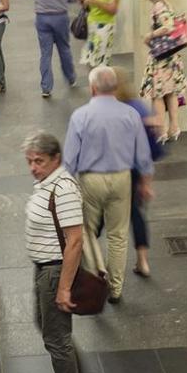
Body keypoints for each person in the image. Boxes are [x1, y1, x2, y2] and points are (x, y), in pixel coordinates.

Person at [21, 132, 99, 373]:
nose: (33, 167)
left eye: (39, 161)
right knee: (49, 327)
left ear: (56, 159)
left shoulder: (63, 189)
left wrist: (64, 287)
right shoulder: (46, 183)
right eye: (29, 161)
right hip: (44, 268)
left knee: (56, 337)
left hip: (55, 271)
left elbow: (75, 241)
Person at [64, 65, 152, 303]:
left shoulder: (81, 116)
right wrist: (145, 182)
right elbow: (143, 154)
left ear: (92, 88)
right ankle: (115, 289)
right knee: (118, 235)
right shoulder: (130, 115)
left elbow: (70, 158)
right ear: (114, 87)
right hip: (122, 178)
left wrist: (65, 184)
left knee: (86, 230)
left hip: (90, 179)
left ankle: (95, 274)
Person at [113, 73, 163, 279]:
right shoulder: (140, 107)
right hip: (137, 169)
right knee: (136, 214)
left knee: (98, 218)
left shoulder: (113, 110)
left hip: (115, 169)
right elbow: (149, 148)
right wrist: (146, 182)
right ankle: (142, 260)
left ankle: (96, 263)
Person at [23, 0, 79, 99]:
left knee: (45, 53)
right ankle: (71, 77)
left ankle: (46, 87)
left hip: (42, 18)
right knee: (64, 49)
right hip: (60, 16)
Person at [139, 0, 187, 142]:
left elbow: (167, 27)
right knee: (171, 92)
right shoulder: (167, 4)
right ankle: (174, 127)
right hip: (171, 56)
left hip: (161, 57)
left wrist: (150, 35)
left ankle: (160, 130)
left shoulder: (158, 6)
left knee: (157, 93)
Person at [79, 0, 121, 69]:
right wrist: (84, 1)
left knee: (101, 60)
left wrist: (95, 1)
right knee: (90, 59)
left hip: (105, 27)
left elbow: (113, 10)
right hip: (91, 24)